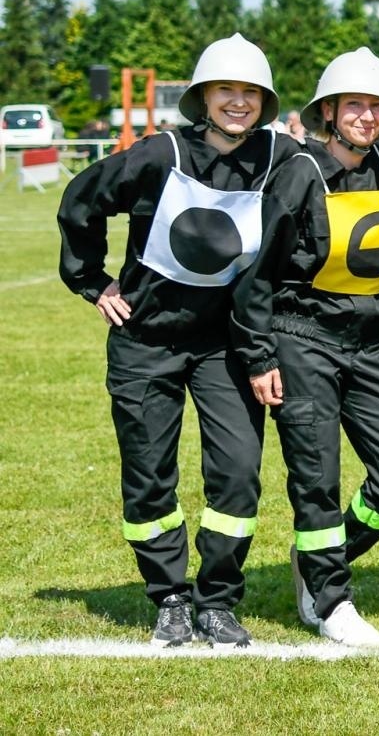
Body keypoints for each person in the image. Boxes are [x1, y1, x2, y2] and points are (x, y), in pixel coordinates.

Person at [57, 33, 283, 648]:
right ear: (203, 97)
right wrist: (92, 281)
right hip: (145, 340)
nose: (238, 102)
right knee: (149, 475)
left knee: (236, 474)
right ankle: (170, 598)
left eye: (250, 93)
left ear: (265, 100)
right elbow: (81, 200)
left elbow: (349, 149)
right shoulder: (159, 153)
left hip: (223, 346)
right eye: (226, 91)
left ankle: (216, 600)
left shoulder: (275, 157)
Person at [232, 47, 379, 647]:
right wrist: (260, 357)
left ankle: (317, 558)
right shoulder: (298, 173)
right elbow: (254, 275)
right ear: (329, 111)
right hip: (300, 342)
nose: (366, 117)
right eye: (354, 106)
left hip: (367, 345)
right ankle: (330, 601)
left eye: (376, 107)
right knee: (317, 478)